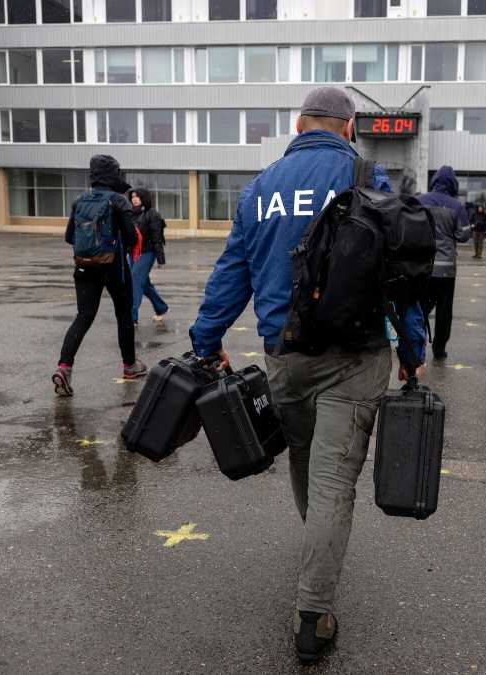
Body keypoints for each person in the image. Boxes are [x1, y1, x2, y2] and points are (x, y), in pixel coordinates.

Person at [188, 87, 426, 664]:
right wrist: (412, 347)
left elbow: (233, 271)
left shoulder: (260, 188)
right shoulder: (366, 177)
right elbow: (397, 273)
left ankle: (320, 536)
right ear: (350, 127)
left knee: (304, 456)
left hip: (285, 354)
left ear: (298, 127)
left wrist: (206, 339)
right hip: (356, 354)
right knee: (334, 481)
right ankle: (313, 615)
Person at [51, 155, 147, 396]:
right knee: (123, 314)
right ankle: (129, 366)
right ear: (114, 176)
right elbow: (131, 238)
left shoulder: (79, 201)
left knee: (83, 316)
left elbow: (69, 237)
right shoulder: (118, 200)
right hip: (113, 266)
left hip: (84, 266)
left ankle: (64, 367)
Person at [417, 165, 470, 361]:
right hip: (446, 269)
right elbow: (464, 235)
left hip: (423, 266)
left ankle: (417, 346)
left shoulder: (420, 201)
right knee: (444, 311)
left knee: (421, 308)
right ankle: (439, 349)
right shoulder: (456, 206)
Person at [126, 188, 169, 327]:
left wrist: (161, 259)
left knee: (135, 280)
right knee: (144, 283)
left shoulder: (153, 214)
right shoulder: (130, 213)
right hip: (133, 253)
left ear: (144, 198)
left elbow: (157, 239)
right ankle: (161, 307)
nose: (134, 199)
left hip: (147, 253)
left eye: (137, 196)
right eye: (132, 197)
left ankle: (131, 317)